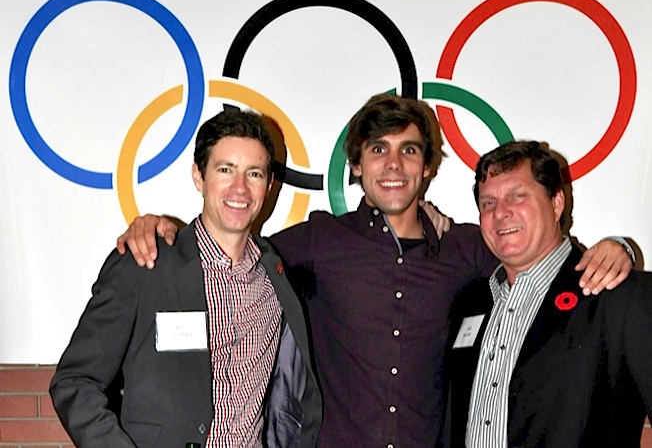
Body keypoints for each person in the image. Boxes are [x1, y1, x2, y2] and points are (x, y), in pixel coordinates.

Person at [117, 94, 632, 446]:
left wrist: (618, 246)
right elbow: (230, 249)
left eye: (408, 150)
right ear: (356, 166)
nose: (393, 165)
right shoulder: (320, 240)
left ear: (427, 166)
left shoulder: (465, 248)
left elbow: (538, 247)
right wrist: (165, 227)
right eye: (377, 150)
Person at [50, 109, 322, 448]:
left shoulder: (277, 275)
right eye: (225, 170)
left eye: (253, 173)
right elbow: (75, 381)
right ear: (199, 177)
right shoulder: (144, 263)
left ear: (268, 186)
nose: (240, 187)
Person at [448, 140, 651, 447]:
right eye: (488, 203)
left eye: (518, 196)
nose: (501, 212)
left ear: (557, 203)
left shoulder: (619, 297)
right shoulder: (468, 303)